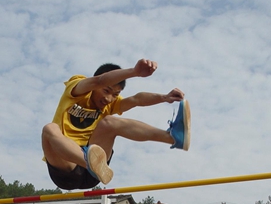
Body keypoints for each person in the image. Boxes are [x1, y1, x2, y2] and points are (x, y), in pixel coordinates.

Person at [41, 59, 189, 189]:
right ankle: (89, 161)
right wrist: (134, 71)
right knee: (50, 129)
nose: (108, 98)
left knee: (110, 122)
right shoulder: (76, 87)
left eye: (115, 94)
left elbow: (136, 100)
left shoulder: (110, 105)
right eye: (106, 90)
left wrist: (164, 97)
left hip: (95, 172)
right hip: (66, 169)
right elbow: (98, 81)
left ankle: (173, 137)